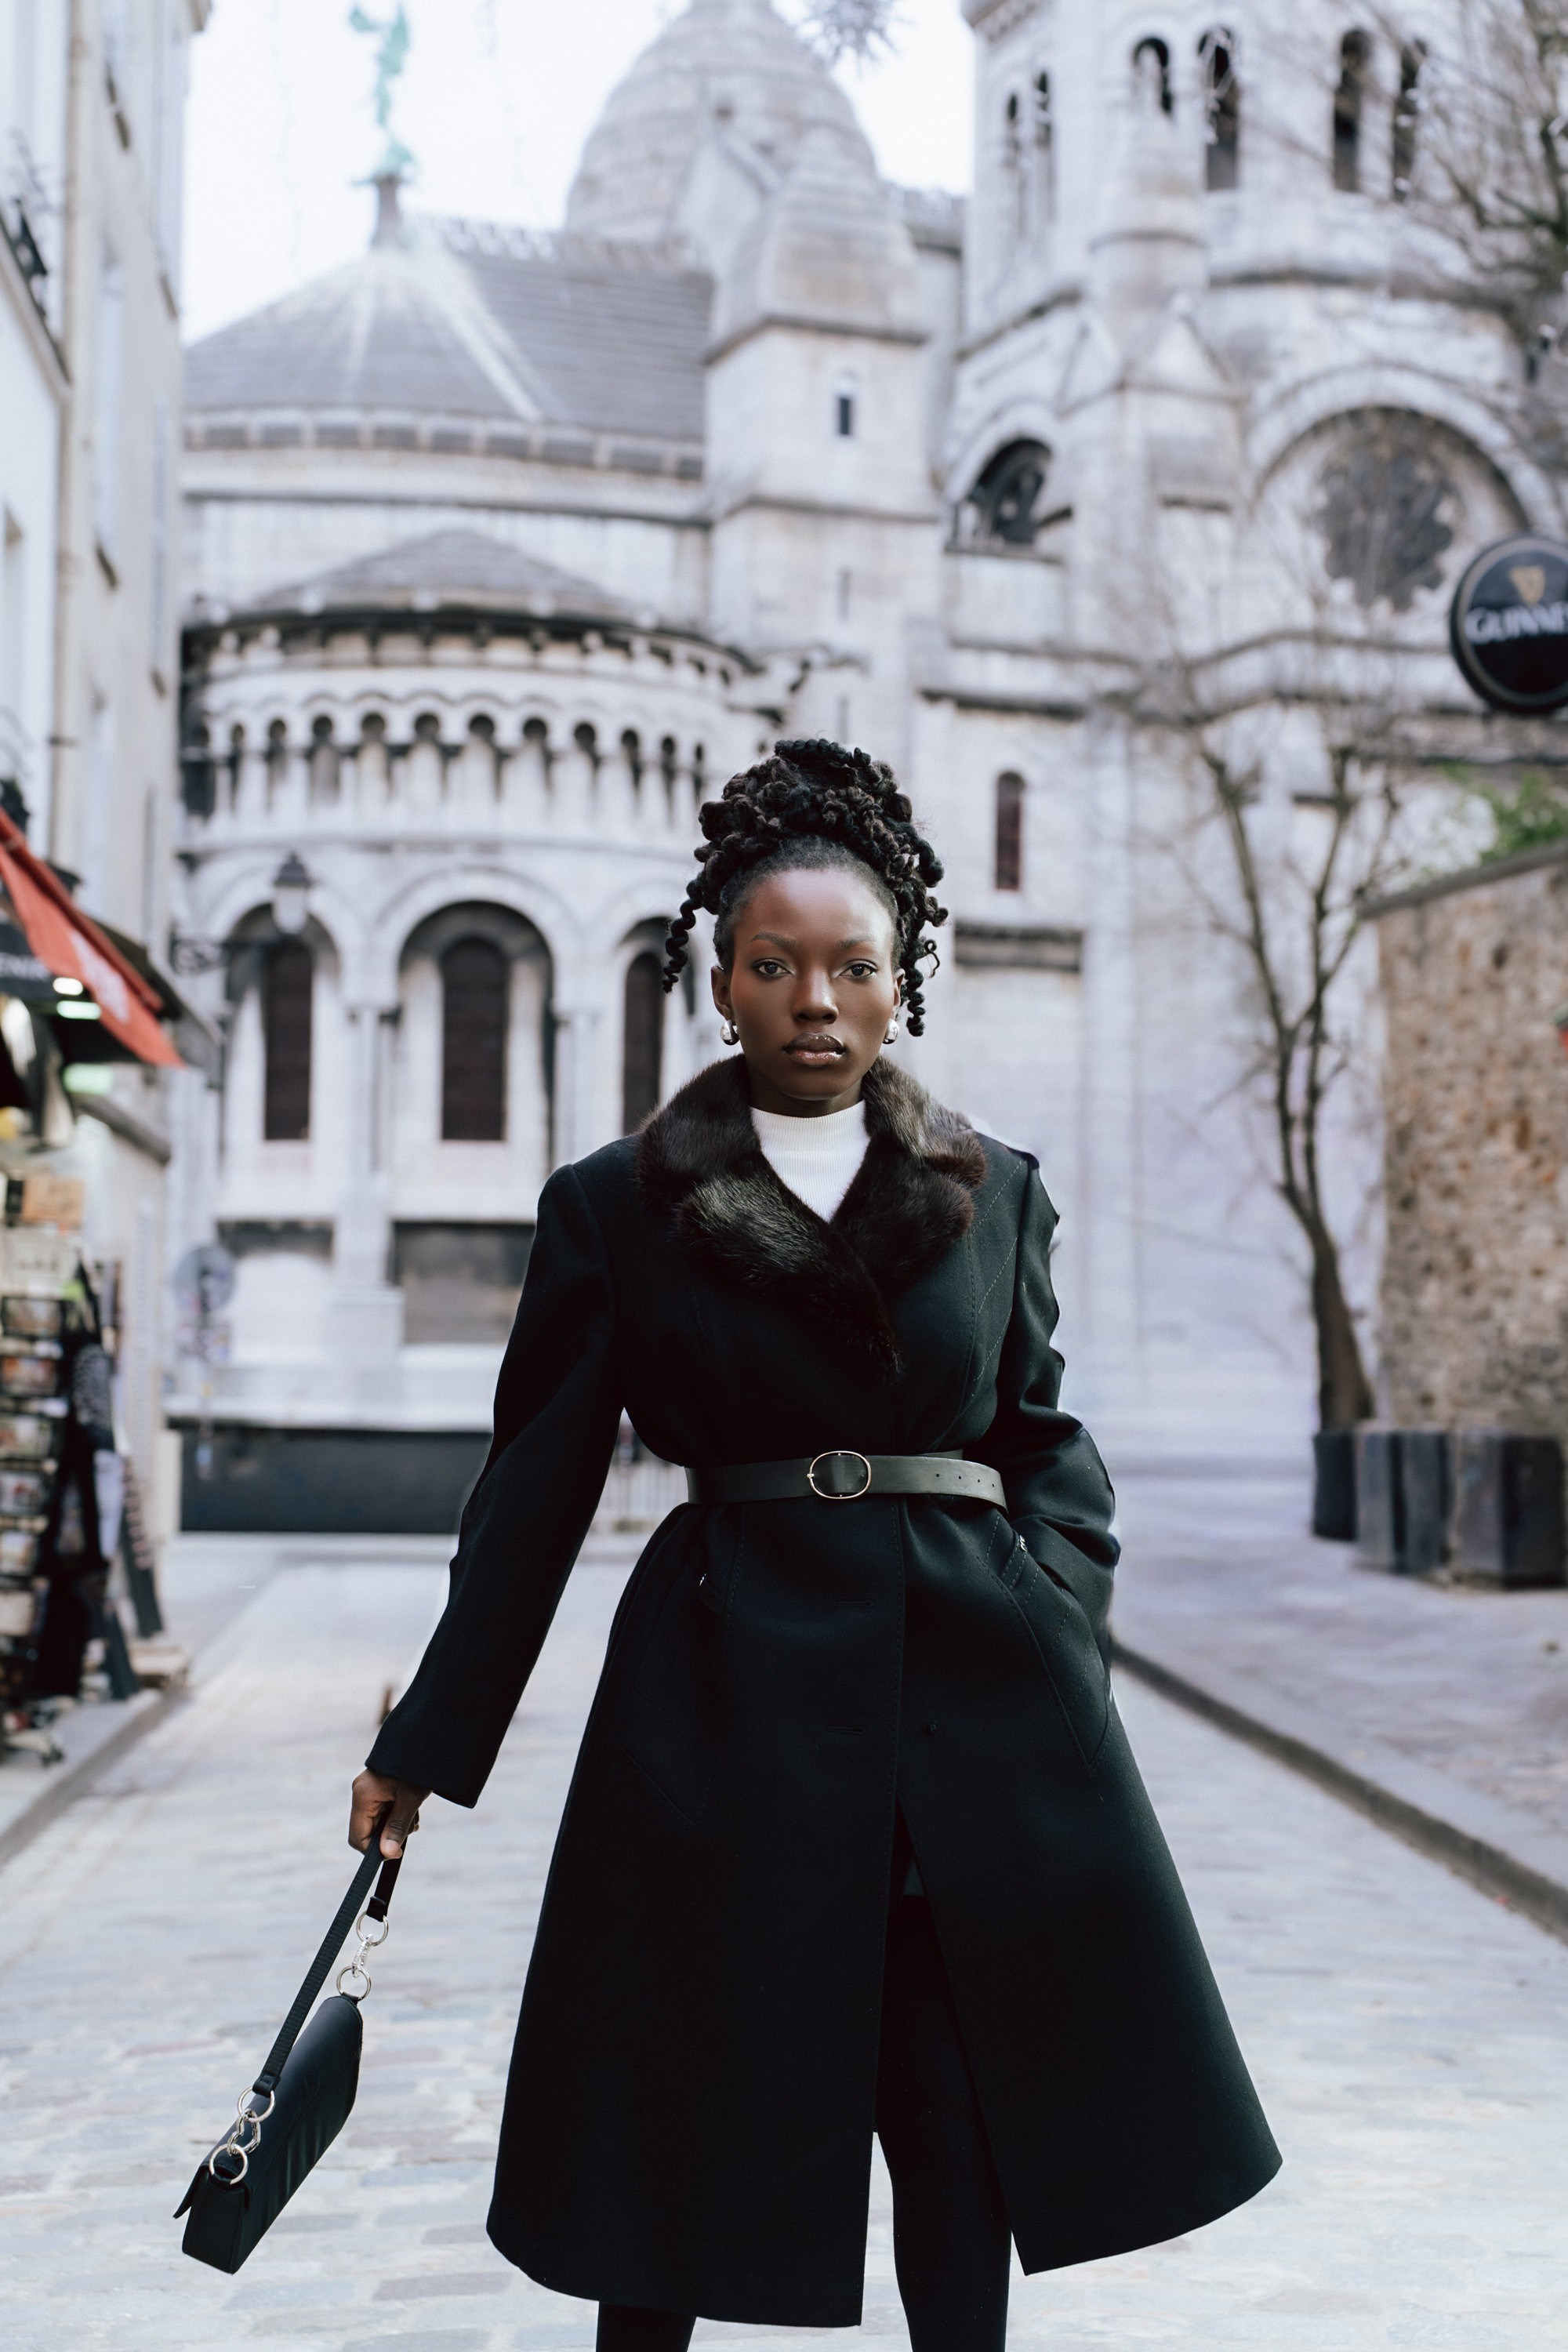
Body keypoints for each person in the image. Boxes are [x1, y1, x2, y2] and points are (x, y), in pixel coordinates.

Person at [352, 741, 1279, 2352]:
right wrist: (425, 1744)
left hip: (966, 1707)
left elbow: (1040, 1438)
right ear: (719, 981)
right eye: (774, 965)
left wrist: (1055, 1611)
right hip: (718, 1703)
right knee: (675, 2109)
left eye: (854, 966)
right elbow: (533, 1491)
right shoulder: (616, 1207)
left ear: (901, 983)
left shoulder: (993, 1192)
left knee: (954, 2114)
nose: (816, 1002)